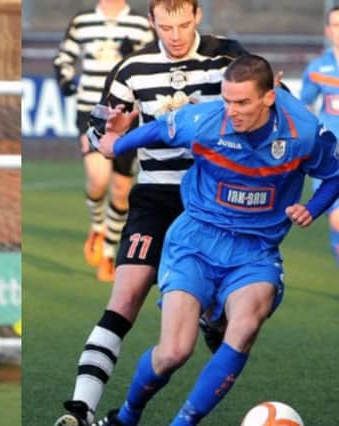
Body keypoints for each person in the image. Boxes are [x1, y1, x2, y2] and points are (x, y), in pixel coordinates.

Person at [91, 54, 339, 426]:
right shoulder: (205, 120)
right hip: (195, 242)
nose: (232, 111)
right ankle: (126, 416)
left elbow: (334, 174)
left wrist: (314, 208)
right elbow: (160, 129)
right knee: (174, 352)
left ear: (268, 98)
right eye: (227, 100)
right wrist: (116, 145)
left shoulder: (302, 131)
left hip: (255, 252)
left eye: (242, 102)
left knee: (244, 328)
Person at [54, 1, 249, 425]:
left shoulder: (228, 57)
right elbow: (96, 126)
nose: (175, 35)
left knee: (223, 313)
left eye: (182, 24)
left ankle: (211, 318)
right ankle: (80, 409)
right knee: (123, 299)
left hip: (214, 202)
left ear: (197, 16)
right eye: (165, 26)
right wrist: (110, 130)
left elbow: (269, 103)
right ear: (151, 23)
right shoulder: (131, 70)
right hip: (155, 197)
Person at [53, 0, 154, 282]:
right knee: (98, 179)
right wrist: (67, 82)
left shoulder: (140, 23)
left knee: (122, 189)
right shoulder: (83, 20)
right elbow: (63, 58)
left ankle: (109, 254)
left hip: (128, 112)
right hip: (92, 110)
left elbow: (154, 60)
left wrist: (132, 56)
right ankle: (98, 225)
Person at [300, 5, 339, 266]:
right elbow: (303, 107)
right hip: (331, 158)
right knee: (337, 221)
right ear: (327, 30)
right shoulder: (317, 68)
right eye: (336, 25)